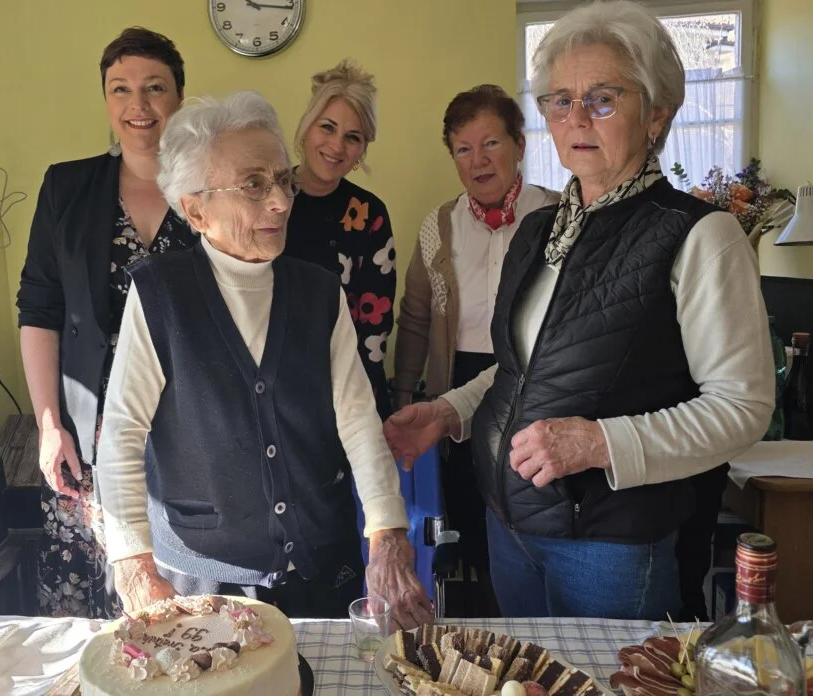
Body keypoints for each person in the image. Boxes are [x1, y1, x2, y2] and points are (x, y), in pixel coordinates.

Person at [384, 0, 774, 620]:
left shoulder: (700, 235)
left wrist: (600, 443)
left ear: (657, 113)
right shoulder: (540, 230)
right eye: (560, 101)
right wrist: (448, 411)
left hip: (611, 546)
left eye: (603, 99)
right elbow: (522, 369)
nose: (577, 119)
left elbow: (741, 408)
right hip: (510, 522)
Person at [93, 92, 433, 628]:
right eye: (254, 184)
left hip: (320, 564)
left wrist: (388, 534)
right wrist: (133, 565)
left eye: (282, 180)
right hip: (205, 575)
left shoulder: (319, 292)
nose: (280, 201)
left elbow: (357, 420)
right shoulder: (161, 294)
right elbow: (122, 432)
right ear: (196, 210)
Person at [16, 27, 195, 619]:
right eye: (120, 89)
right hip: (89, 434)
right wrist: (49, 425)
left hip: (190, 431)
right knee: (93, 611)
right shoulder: (66, 188)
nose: (137, 105)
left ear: (179, 98)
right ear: (106, 100)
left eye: (154, 87)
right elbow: (39, 310)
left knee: (184, 610)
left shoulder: (210, 189)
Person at [392, 84, 559, 617]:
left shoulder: (558, 215)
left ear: (519, 145)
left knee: (531, 508)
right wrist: (404, 394)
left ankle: (533, 615)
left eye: (491, 144)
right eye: (463, 149)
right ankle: (483, 620)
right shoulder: (439, 225)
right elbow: (415, 317)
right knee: (469, 519)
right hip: (459, 384)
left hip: (537, 382)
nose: (478, 160)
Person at [284, 60, 396, 419]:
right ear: (307, 127)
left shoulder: (369, 214)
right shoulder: (267, 199)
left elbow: (375, 328)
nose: (336, 146)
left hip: (345, 397)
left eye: (353, 137)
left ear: (362, 149)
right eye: (327, 127)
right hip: (272, 391)